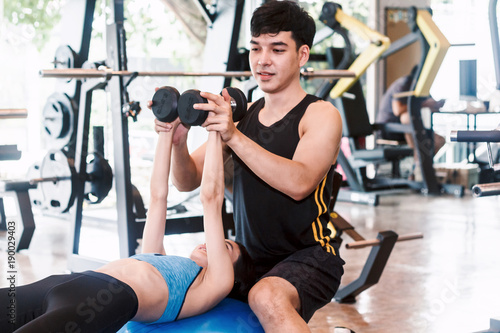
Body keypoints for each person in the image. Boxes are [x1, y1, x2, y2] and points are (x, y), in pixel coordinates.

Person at [152, 2, 345, 331]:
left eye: (277, 49)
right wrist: (179, 142)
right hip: (246, 256)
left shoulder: (320, 114)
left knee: (266, 296)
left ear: (302, 55)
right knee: (188, 288)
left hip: (310, 254)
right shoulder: (244, 114)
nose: (262, 60)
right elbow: (187, 181)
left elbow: (299, 182)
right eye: (256, 48)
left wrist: (232, 134)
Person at [0, 117, 255, 333]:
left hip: (98, 303)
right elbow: (157, 198)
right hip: (65, 282)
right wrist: (167, 134)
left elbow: (211, 200)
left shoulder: (215, 284)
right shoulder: (157, 257)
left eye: (225, 247)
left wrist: (215, 133)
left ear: (232, 275)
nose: (210, 243)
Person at [376, 65, 446, 156]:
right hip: (389, 128)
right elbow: (398, 110)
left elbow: (429, 103)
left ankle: (423, 165)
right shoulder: (404, 83)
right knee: (406, 116)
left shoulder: (422, 87)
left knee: (439, 141)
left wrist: (436, 104)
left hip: (408, 128)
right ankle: (417, 157)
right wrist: (423, 104)